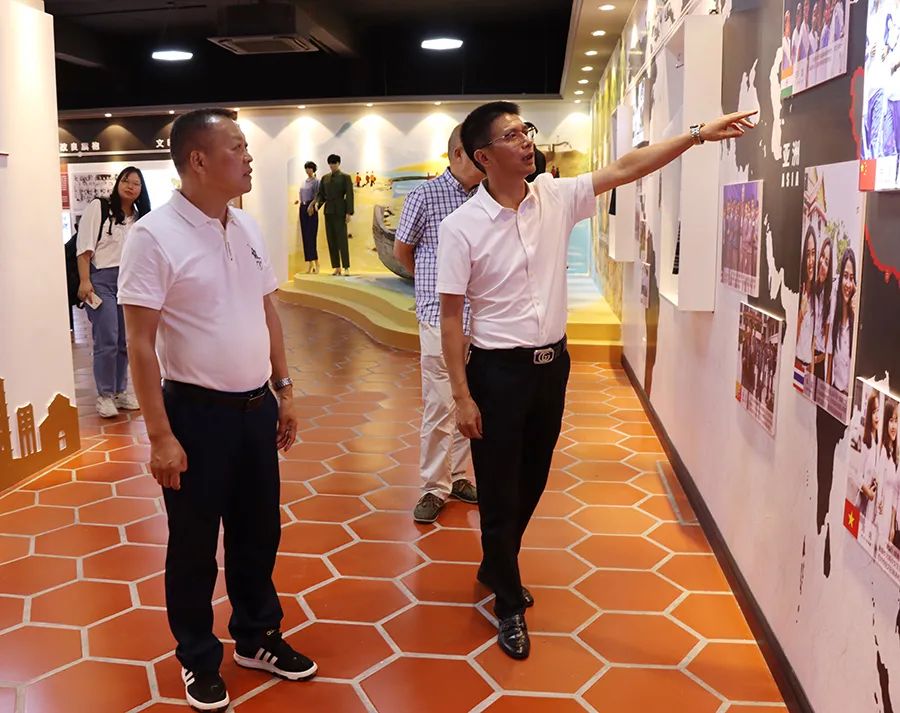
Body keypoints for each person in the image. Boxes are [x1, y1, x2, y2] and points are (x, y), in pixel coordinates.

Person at [436, 101, 755, 660]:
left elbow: (627, 167)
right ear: (483, 157)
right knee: (499, 487)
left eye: (526, 130)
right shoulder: (460, 227)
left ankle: (496, 562)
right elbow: (450, 316)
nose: (526, 141)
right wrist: (461, 395)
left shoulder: (555, 197)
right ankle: (506, 601)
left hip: (550, 368)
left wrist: (697, 134)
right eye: (511, 136)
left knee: (533, 476)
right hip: (496, 372)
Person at [118, 108, 316, 712]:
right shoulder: (154, 236)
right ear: (198, 160)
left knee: (259, 532)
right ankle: (198, 657)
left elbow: (267, 311)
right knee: (194, 544)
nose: (249, 157)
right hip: (195, 416)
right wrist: (160, 436)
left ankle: (256, 636)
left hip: (256, 409)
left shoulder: (246, 225)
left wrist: (284, 389)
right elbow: (139, 343)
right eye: (238, 147)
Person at [393, 125, 484, 524]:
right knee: (438, 403)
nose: (485, 160)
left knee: (469, 399)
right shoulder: (424, 196)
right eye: (479, 152)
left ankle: (459, 477)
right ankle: (433, 486)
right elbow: (403, 251)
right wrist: (432, 288)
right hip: (438, 316)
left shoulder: (486, 195)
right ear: (459, 154)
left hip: (480, 319)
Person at [76, 166, 150, 418]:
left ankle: (120, 392)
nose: (130, 186)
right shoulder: (99, 207)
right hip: (102, 281)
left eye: (136, 183)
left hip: (129, 283)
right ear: (118, 183)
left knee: (124, 342)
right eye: (126, 181)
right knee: (107, 338)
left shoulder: (140, 217)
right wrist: (85, 281)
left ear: (141, 190)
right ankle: (105, 395)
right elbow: (84, 248)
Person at [316, 154, 354, 276]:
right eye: (330, 163)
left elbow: (349, 195)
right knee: (331, 240)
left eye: (334, 163)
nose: (332, 165)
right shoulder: (325, 178)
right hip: (328, 211)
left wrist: (349, 212)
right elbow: (321, 194)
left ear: (338, 163)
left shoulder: (345, 177)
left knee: (342, 239)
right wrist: (317, 204)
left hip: (340, 210)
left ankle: (346, 267)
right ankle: (337, 267)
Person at [826, 246, 856, 395]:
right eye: (845, 276)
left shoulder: (856, 324)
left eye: (851, 278)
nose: (848, 284)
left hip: (849, 398)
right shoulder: (835, 321)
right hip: (834, 393)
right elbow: (829, 361)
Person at [794, 227, 817, 392]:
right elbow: (791, 341)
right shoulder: (797, 293)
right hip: (796, 364)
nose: (811, 261)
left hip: (809, 370)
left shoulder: (817, 297)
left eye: (813, 253)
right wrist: (801, 315)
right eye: (808, 254)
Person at [812, 235, 833, 391]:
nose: (822, 263)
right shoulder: (812, 289)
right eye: (822, 257)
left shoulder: (830, 298)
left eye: (827, 261)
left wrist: (816, 359)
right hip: (806, 355)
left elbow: (826, 347)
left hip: (817, 361)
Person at [295, 161, 320, 274]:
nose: (307, 170)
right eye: (306, 168)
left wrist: (311, 205)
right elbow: (301, 194)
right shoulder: (303, 182)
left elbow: (317, 196)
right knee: (305, 236)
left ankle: (317, 263)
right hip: (303, 208)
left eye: (309, 168)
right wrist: (299, 202)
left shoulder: (316, 182)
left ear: (313, 169)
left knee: (311, 236)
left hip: (311, 208)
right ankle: (310, 264)